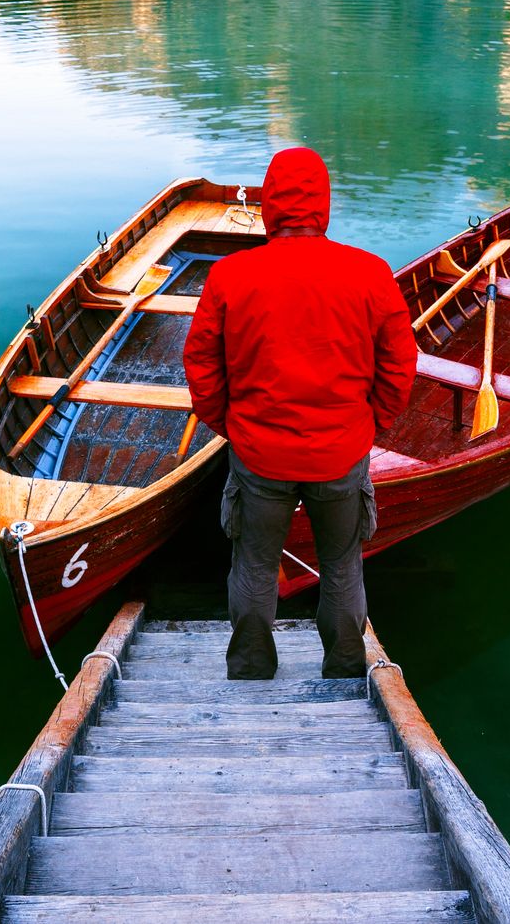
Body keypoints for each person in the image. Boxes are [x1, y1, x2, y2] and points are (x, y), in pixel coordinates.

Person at [181, 147, 417, 679]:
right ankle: (345, 665)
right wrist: (373, 422)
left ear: (270, 206)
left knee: (254, 566)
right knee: (342, 565)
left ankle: (250, 667)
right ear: (323, 206)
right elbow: (401, 362)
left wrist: (230, 424)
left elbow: (200, 362)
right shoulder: (370, 272)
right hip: (340, 454)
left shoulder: (230, 276)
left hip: (260, 456)